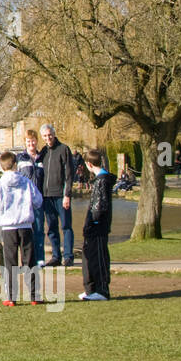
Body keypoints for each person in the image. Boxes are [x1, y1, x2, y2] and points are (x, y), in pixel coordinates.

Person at [0, 151, 43, 306]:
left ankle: (11, 297)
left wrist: (1, 207)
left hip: (8, 226)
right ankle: (34, 296)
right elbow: (38, 200)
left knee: (10, 262)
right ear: (15, 164)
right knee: (29, 261)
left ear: (2, 167)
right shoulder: (26, 182)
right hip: (25, 225)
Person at [37, 124, 74, 267]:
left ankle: (68, 256)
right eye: (45, 136)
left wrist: (67, 194)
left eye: (50, 135)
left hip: (61, 195)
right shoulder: (44, 152)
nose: (48, 138)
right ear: (42, 137)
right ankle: (56, 256)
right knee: (52, 228)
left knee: (66, 226)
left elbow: (69, 174)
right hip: (47, 196)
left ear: (54, 133)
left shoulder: (64, 149)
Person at [79, 150, 114, 301]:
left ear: (89, 164)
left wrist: (93, 222)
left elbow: (100, 206)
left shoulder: (102, 180)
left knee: (99, 257)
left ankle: (102, 290)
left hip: (98, 227)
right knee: (89, 257)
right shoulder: (100, 180)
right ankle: (91, 289)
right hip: (93, 227)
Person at [14, 130, 46, 268]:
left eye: (33, 140)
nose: (31, 143)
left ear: (37, 141)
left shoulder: (42, 158)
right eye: (28, 141)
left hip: (38, 199)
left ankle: (40, 259)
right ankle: (26, 261)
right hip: (24, 201)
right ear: (25, 142)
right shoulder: (20, 158)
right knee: (24, 232)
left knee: (39, 230)